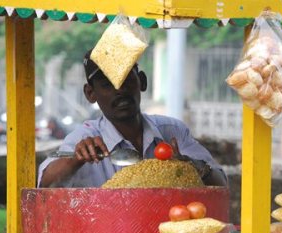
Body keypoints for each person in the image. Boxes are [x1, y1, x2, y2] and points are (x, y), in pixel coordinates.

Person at [38, 50, 227, 188]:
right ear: (90, 93)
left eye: (126, 80)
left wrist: (192, 167)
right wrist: (76, 160)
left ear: (142, 82)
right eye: (107, 85)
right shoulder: (85, 138)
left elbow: (221, 184)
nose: (119, 91)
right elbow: (44, 184)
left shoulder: (173, 131)